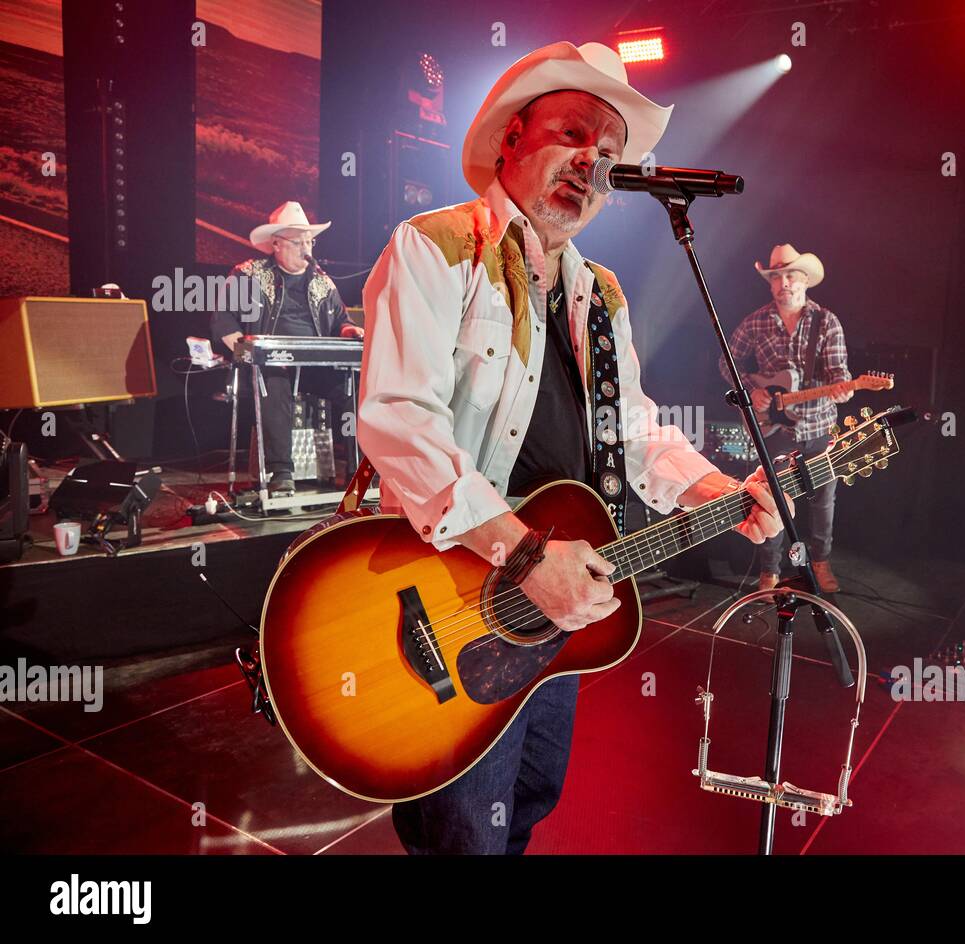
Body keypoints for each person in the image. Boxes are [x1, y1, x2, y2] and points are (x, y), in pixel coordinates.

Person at [357, 41, 789, 854]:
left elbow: (628, 427)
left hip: (558, 602)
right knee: (462, 838)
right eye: (574, 133)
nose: (593, 162)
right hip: (461, 588)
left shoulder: (602, 294)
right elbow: (397, 420)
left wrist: (716, 492)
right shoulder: (437, 246)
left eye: (612, 153)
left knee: (526, 806)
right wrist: (522, 553)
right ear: (512, 136)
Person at [722, 244, 853, 592]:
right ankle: (770, 572)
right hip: (776, 427)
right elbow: (727, 363)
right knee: (772, 500)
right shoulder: (755, 322)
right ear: (770, 284)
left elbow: (839, 372)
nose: (785, 284)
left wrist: (843, 388)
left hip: (819, 426)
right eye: (777, 277)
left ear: (805, 280)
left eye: (791, 276)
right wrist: (752, 390)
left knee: (823, 499)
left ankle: (821, 563)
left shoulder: (826, 322)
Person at [212, 201, 363, 496]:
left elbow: (340, 322)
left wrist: (350, 330)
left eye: (309, 241)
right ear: (276, 244)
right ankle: (281, 471)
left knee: (354, 388)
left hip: (314, 367)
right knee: (275, 379)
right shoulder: (248, 275)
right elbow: (223, 320)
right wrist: (246, 352)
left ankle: (358, 469)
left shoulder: (322, 280)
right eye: (298, 242)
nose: (306, 248)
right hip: (270, 366)